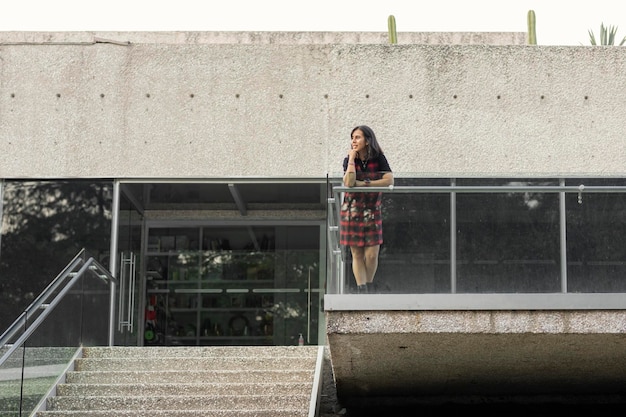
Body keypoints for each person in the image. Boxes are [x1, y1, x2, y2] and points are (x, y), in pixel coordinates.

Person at [340, 125, 394, 294]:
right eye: (352, 138)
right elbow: (348, 183)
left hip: (372, 209)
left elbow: (389, 180)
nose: (353, 141)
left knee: (371, 255)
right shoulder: (349, 159)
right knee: (356, 254)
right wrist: (351, 159)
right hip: (351, 211)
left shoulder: (378, 158)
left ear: (367, 140)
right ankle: (362, 290)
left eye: (357, 137)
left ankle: (369, 285)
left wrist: (365, 184)